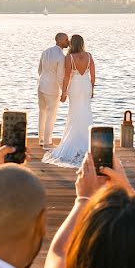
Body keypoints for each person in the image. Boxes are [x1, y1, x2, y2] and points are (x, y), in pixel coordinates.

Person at [43, 34, 95, 168]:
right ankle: (87, 142)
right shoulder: (89, 56)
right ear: (82, 43)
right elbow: (93, 75)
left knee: (74, 113)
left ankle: (74, 140)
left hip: (75, 86)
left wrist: (64, 91)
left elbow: (66, 76)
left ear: (72, 44)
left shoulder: (69, 58)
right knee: (86, 112)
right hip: (86, 86)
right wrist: (92, 89)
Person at [38, 32, 69, 148]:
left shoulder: (45, 52)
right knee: (51, 114)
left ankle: (41, 139)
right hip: (52, 88)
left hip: (41, 85)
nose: (68, 42)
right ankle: (47, 142)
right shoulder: (61, 57)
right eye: (66, 40)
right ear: (60, 41)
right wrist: (63, 91)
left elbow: (39, 70)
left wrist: (43, 80)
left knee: (42, 112)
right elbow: (60, 76)